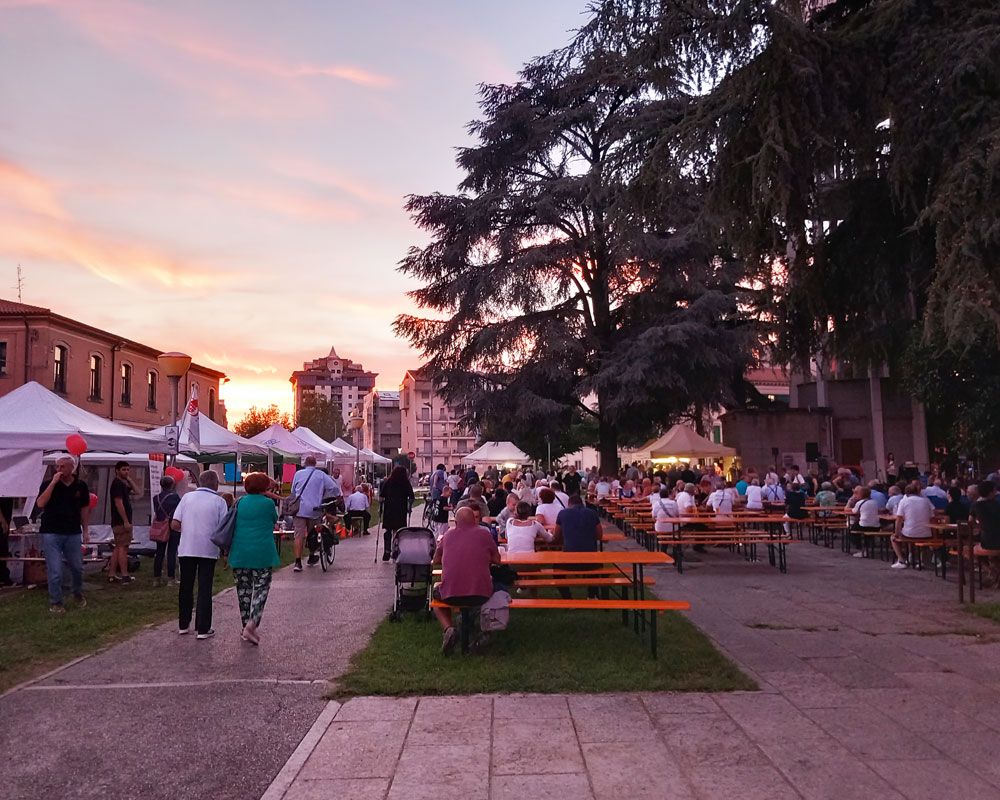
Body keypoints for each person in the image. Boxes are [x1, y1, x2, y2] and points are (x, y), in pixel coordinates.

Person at [431, 506, 500, 654]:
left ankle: (449, 628)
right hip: (481, 595)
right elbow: (497, 560)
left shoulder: (448, 536)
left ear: (455, 522)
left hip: (451, 595)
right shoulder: (484, 534)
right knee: (491, 585)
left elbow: (436, 559)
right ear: (475, 521)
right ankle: (482, 631)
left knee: (436, 590)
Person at [171, 470, 227, 638]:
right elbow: (223, 528)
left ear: (199, 483)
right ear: (215, 484)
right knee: (204, 588)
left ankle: (183, 623)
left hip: (187, 548)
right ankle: (203, 628)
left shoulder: (186, 498)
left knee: (186, 586)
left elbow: (174, 524)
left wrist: (187, 529)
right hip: (208, 549)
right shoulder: (219, 501)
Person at [228, 472, 279, 645]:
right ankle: (252, 624)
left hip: (240, 552)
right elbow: (274, 520)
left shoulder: (239, 502)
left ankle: (245, 628)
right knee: (261, 589)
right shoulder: (268, 503)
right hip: (262, 552)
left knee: (243, 591)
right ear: (264, 487)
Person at [35, 455, 90, 612]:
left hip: (72, 532)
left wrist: (85, 530)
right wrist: (53, 482)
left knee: (77, 567)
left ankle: (78, 593)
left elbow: (85, 509)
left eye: (61, 467)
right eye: (56, 467)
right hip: (51, 531)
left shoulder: (80, 486)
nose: (58, 470)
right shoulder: (48, 484)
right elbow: (40, 503)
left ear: (71, 468)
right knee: (55, 569)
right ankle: (56, 602)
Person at [551, 495, 604, 597]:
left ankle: (567, 597)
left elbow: (556, 536)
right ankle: (592, 595)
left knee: (556, 570)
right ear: (582, 503)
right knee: (598, 567)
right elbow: (599, 535)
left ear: (569, 504)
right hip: (591, 560)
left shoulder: (563, 514)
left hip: (569, 559)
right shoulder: (592, 513)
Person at [289, 456, 336, 572]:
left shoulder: (298, 474)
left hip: (300, 509)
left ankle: (298, 562)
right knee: (313, 534)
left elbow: (293, 491)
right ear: (315, 464)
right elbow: (333, 487)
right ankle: (311, 556)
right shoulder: (321, 475)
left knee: (298, 535)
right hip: (315, 510)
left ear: (305, 463)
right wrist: (324, 495)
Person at [108, 460, 139, 583]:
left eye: (127, 469)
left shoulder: (123, 484)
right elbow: (118, 503)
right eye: (123, 470)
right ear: (117, 471)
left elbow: (137, 492)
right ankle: (125, 575)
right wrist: (125, 520)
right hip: (120, 521)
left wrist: (130, 480)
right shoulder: (117, 484)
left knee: (118, 547)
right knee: (123, 547)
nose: (126, 472)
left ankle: (112, 574)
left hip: (120, 521)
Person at [890, 483, 934, 569]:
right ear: (918, 492)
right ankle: (921, 561)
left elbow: (899, 519)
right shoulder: (926, 501)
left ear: (906, 493)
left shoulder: (904, 501)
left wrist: (896, 533)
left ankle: (901, 560)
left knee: (893, 538)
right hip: (926, 534)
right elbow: (932, 517)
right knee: (922, 538)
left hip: (909, 534)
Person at [379, 465, 415, 561]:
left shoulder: (388, 482)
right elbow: (411, 496)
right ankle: (396, 549)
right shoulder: (405, 483)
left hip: (389, 509)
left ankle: (387, 549)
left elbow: (381, 496)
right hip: (401, 509)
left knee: (388, 529)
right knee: (398, 531)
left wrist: (381, 507)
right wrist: (409, 506)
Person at [152, 475, 182, 587]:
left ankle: (156, 578)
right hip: (172, 526)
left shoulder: (156, 498)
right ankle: (171, 578)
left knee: (159, 552)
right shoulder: (175, 498)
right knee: (171, 552)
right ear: (172, 485)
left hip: (160, 527)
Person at [972, 482, 1000, 586]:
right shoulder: (997, 504)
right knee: (994, 555)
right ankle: (995, 573)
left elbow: (973, 521)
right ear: (992, 492)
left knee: (969, 549)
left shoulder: (977, 506)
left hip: (987, 540)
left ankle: (991, 572)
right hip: (997, 539)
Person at [847, 486, 881, 557]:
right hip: (876, 526)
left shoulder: (860, 502)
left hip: (864, 525)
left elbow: (854, 511)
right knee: (867, 533)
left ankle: (860, 548)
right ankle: (868, 548)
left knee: (852, 530)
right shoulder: (874, 502)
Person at [0, 496, 14, 587]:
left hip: (6, 518)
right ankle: (2, 577)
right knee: (1, 547)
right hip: (2, 521)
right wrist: (2, 521)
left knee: (3, 548)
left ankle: (4, 577)